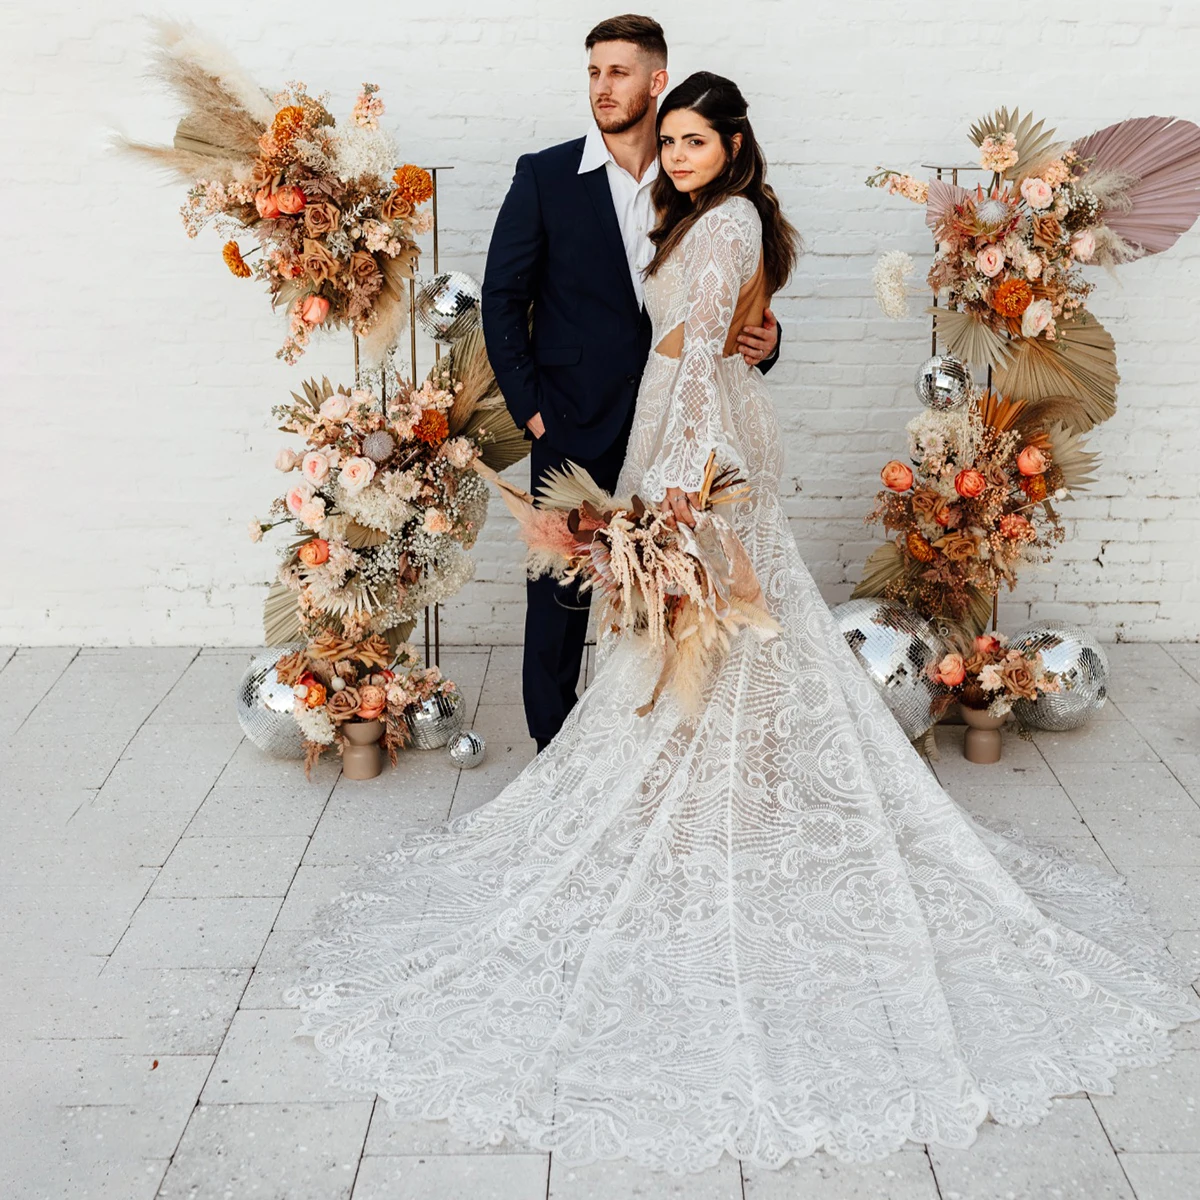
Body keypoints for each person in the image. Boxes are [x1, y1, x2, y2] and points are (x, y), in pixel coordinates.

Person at [288, 72, 1200, 1174]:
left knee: (713, 617)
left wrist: (672, 481)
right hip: (696, 432)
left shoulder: (723, 225)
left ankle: (717, 785)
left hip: (699, 446)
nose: (674, 154)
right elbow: (717, 343)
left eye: (690, 139)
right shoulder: (711, 218)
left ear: (730, 143)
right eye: (664, 141)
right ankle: (710, 774)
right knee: (705, 627)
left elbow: (704, 354)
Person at [480, 14, 780, 752]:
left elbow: (716, 303)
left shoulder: (694, 180)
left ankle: (647, 745)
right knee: (559, 594)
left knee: (666, 590)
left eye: (618, 72)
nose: (602, 87)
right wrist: (532, 412)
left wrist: (768, 342)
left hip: (671, 424)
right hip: (571, 420)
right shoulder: (545, 175)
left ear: (656, 80)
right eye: (593, 72)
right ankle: (554, 753)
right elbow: (501, 297)